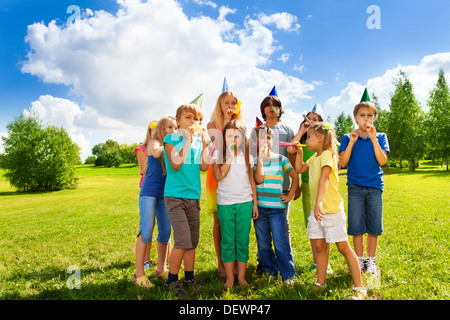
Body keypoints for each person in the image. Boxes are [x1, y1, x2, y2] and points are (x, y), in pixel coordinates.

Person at [295, 122, 366, 299]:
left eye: (309, 136)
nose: (306, 139)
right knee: (319, 246)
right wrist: (299, 153)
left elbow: (324, 178)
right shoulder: (315, 156)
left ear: (320, 138)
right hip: (317, 211)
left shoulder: (328, 155)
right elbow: (299, 169)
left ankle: (359, 287)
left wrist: (318, 202)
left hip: (331, 210)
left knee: (343, 247)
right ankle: (321, 282)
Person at [339, 95, 389, 276]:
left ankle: (371, 260)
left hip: (375, 186)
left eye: (369, 115)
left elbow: (382, 161)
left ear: (374, 118)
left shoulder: (381, 137)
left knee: (374, 225)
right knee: (356, 225)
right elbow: (342, 162)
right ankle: (359, 261)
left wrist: (374, 138)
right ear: (355, 118)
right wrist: (352, 142)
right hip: (355, 187)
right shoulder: (347, 137)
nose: (366, 119)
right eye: (362, 115)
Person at [163, 103, 209, 295]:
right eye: (188, 118)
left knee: (192, 241)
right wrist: (188, 140)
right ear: (178, 120)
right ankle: (171, 281)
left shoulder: (199, 142)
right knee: (182, 240)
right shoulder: (171, 138)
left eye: (196, 119)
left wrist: (205, 144)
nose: (193, 122)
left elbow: (205, 167)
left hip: (193, 197)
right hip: (175, 197)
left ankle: (189, 277)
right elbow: (175, 164)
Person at [250, 86, 295, 272]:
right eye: (267, 105)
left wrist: (294, 188)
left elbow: (291, 155)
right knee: (263, 232)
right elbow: (254, 163)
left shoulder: (287, 130)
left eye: (274, 105)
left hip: (281, 188)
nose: (271, 108)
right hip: (262, 189)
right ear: (263, 110)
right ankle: (266, 263)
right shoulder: (257, 131)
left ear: (280, 109)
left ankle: (285, 265)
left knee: (281, 229)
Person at [212, 120, 258, 288]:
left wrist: (254, 203)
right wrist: (230, 157)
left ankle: (241, 277)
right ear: (223, 137)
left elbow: (252, 181)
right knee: (228, 241)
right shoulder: (218, 155)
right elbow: (218, 176)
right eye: (229, 136)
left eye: (237, 136)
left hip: (245, 203)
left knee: (242, 241)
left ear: (243, 137)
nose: (233, 139)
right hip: (225, 204)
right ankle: (230, 277)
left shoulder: (248, 156)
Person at [133, 117, 176, 289]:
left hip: (164, 195)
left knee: (165, 231)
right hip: (149, 193)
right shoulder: (155, 143)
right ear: (161, 129)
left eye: (175, 127)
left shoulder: (171, 146)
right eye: (169, 127)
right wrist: (168, 141)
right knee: (146, 231)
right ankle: (139, 275)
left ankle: (161, 269)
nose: (173, 130)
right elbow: (157, 153)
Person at [253, 125, 298, 284]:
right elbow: (258, 179)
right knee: (264, 244)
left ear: (273, 141)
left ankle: (288, 276)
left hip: (277, 210)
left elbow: (295, 176)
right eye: (260, 138)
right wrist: (259, 158)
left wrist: (290, 194)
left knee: (280, 243)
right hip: (260, 210)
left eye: (268, 137)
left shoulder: (281, 159)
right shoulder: (254, 161)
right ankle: (270, 273)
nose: (265, 141)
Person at [207, 89, 243, 276]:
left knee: (236, 222)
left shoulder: (240, 124)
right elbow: (220, 145)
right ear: (219, 105)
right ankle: (222, 263)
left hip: (237, 175)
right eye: (227, 103)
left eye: (233, 103)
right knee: (219, 221)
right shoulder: (212, 124)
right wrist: (228, 123)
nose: (230, 106)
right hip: (219, 173)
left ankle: (236, 263)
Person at [134, 121, 156, 271]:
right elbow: (144, 169)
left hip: (162, 189)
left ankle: (164, 258)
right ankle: (145, 259)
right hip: (148, 189)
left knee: (161, 226)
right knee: (147, 226)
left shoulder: (165, 147)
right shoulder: (142, 149)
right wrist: (153, 151)